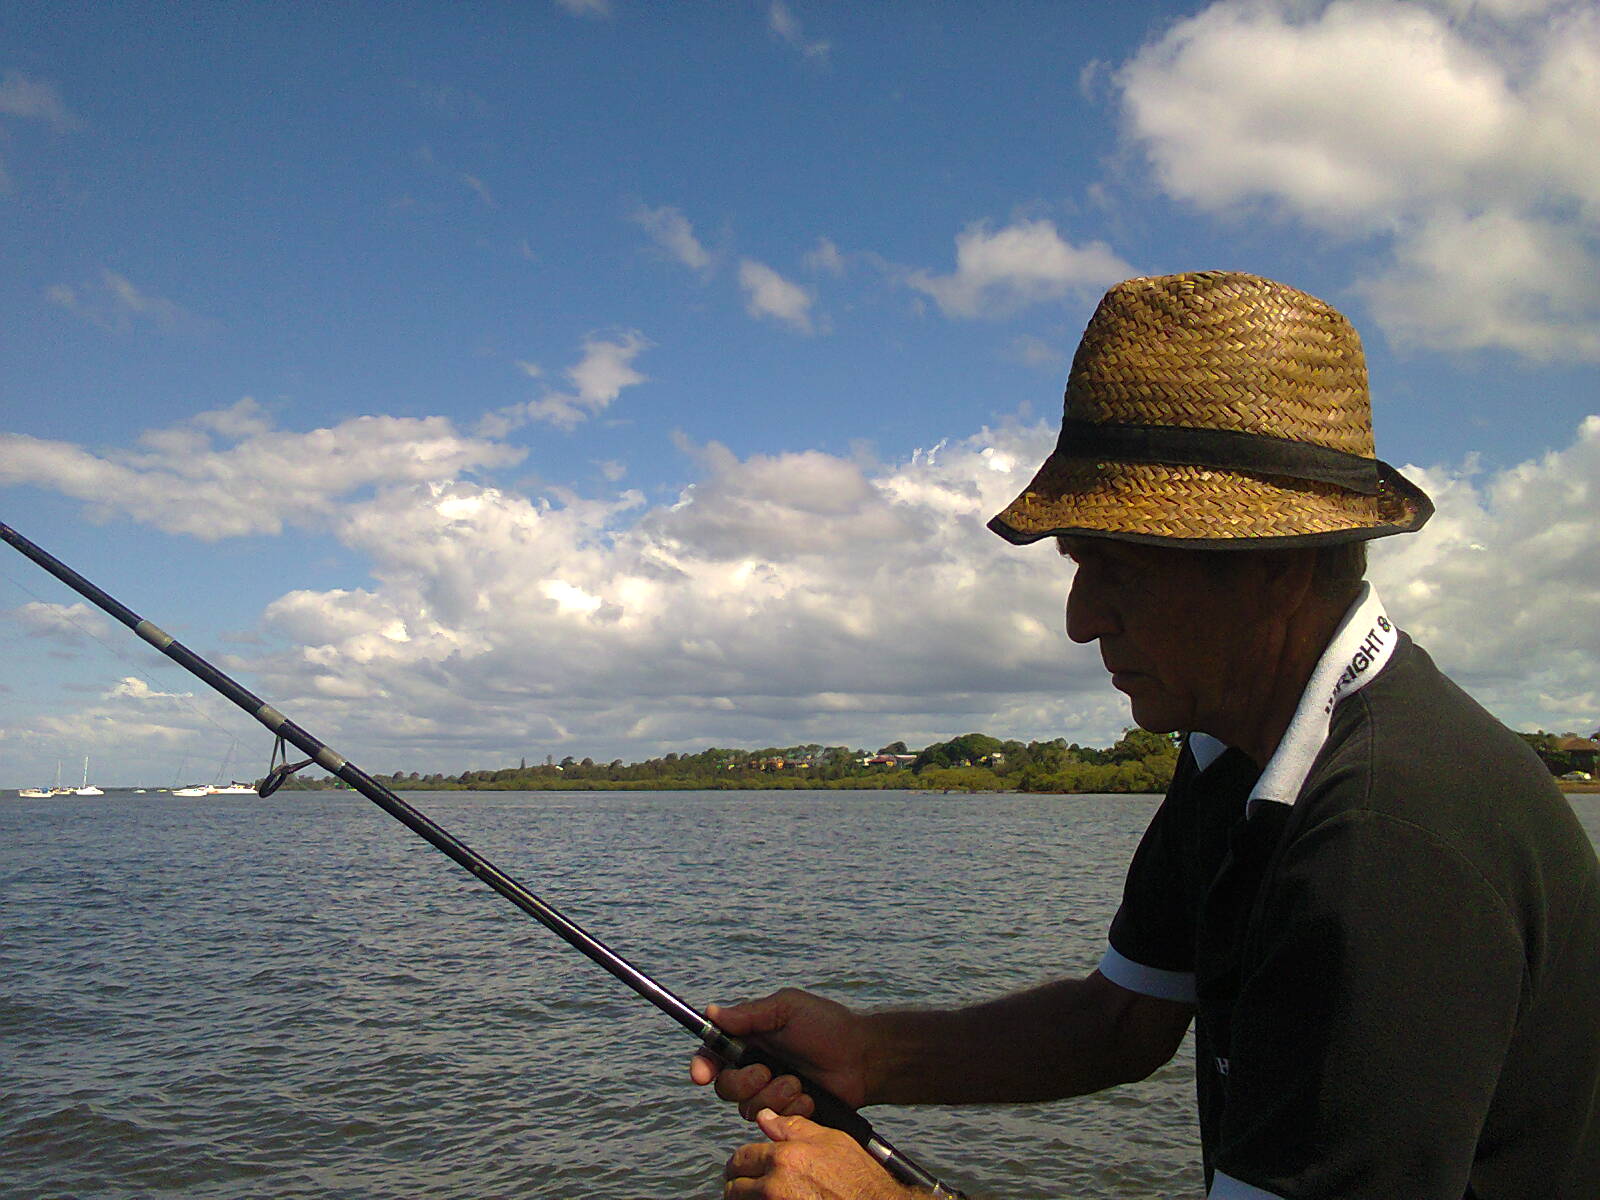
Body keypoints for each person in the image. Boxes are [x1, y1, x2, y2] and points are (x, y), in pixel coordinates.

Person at [695, 271, 1600, 1199]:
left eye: (1117, 568)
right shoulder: (1232, 748)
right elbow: (1121, 1023)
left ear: (1278, 566)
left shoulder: (1386, 842)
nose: (1080, 620)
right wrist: (869, 1053)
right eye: (1077, 564)